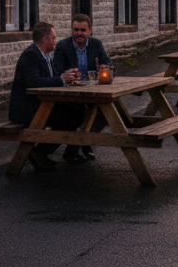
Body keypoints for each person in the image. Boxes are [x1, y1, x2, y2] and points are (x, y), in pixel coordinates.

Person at [8, 21, 80, 171]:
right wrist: (61, 79)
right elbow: (34, 82)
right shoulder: (31, 55)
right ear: (44, 39)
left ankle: (41, 153)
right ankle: (38, 152)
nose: (55, 40)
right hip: (27, 108)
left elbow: (51, 78)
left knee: (76, 113)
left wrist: (68, 78)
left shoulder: (46, 55)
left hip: (41, 105)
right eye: (53, 38)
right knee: (69, 118)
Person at [52, 13, 111, 162]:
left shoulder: (96, 44)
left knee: (107, 112)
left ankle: (83, 144)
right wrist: (68, 76)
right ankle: (81, 146)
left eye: (83, 30)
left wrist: (105, 68)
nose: (79, 33)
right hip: (71, 94)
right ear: (72, 30)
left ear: (90, 31)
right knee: (82, 114)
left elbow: (108, 65)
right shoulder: (62, 46)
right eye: (76, 30)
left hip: (93, 91)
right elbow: (57, 72)